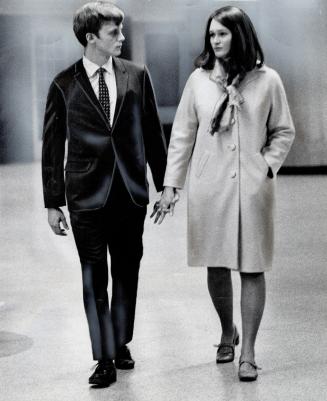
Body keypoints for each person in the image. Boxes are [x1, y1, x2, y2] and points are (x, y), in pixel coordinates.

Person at [152, 6, 295, 381]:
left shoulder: (268, 80)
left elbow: (284, 130)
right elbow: (181, 136)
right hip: (209, 187)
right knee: (216, 265)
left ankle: (247, 351)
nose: (214, 41)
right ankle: (226, 330)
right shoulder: (199, 81)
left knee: (252, 266)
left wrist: (266, 166)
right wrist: (171, 186)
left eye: (222, 34)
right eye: (211, 35)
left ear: (239, 35)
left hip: (252, 188)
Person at [42, 1, 167, 387]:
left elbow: (152, 132)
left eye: (122, 30)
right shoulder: (63, 84)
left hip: (129, 194)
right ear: (90, 37)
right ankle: (104, 357)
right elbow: (52, 145)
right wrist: (53, 202)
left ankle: (120, 340)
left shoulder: (137, 75)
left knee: (127, 272)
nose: (122, 38)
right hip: (85, 198)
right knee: (94, 277)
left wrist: (165, 186)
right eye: (114, 33)